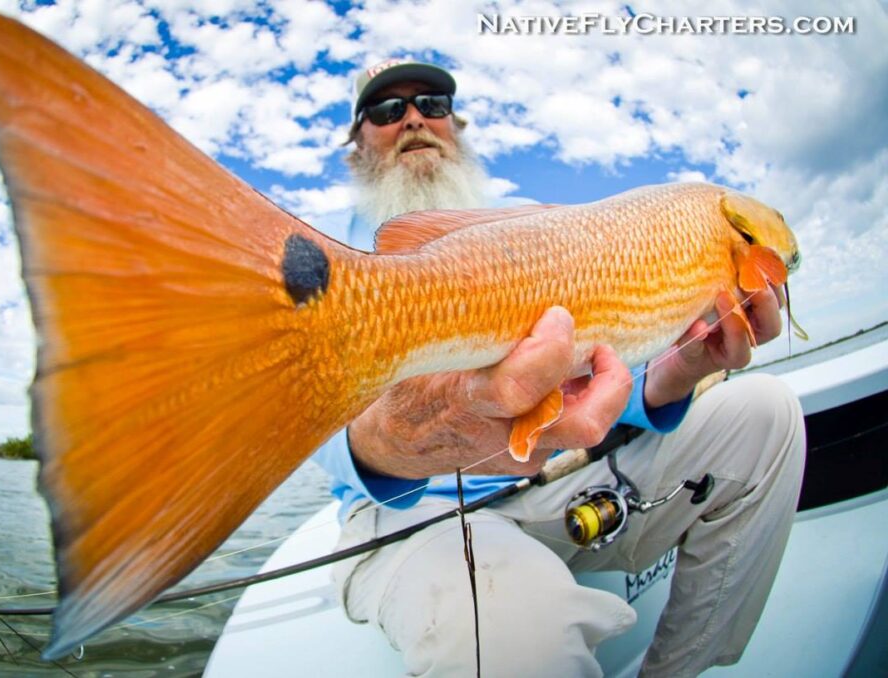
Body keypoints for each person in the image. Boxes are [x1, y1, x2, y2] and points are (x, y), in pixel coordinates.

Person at [312, 58, 806, 677]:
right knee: (517, 632)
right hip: (411, 519)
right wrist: (398, 437)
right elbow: (300, 419)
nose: (414, 118)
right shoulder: (323, 251)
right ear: (357, 141)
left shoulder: (532, 218)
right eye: (387, 111)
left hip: (551, 487)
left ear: (455, 124)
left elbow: (600, 380)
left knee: (766, 413)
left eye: (432, 104)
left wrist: (680, 369)